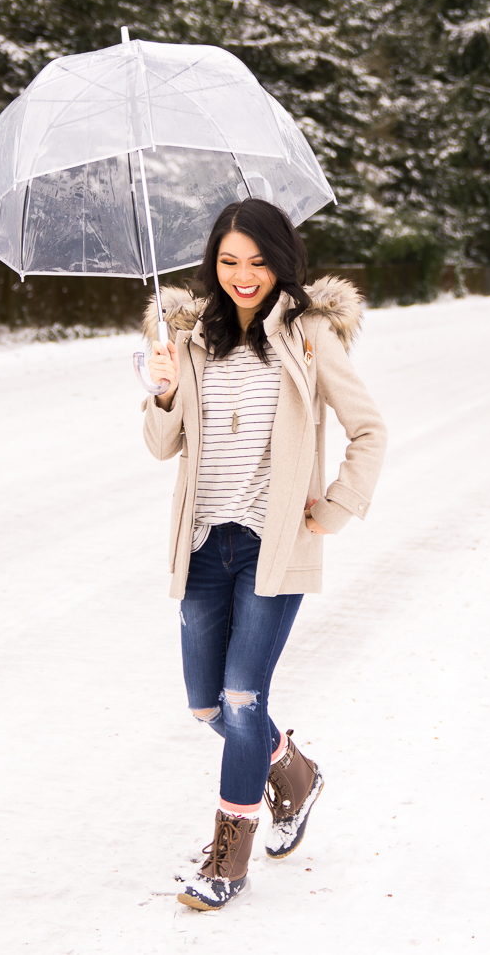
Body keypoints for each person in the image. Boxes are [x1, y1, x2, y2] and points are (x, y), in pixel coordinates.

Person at [141, 199, 386, 910]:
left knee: (244, 701)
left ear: (282, 261)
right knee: (207, 706)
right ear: (212, 265)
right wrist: (161, 391)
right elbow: (164, 446)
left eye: (257, 261)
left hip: (270, 545)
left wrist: (335, 508)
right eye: (228, 262)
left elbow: (369, 429)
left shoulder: (306, 334)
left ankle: (227, 862)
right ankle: (295, 773)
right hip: (202, 545)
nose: (243, 276)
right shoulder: (189, 340)